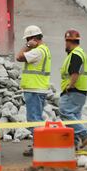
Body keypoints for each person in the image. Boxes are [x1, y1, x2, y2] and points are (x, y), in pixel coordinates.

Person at [16, 25, 51, 157]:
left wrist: (28, 46)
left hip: (34, 89)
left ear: (33, 39)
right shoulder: (45, 49)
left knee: (34, 119)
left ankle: (39, 146)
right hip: (38, 89)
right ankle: (40, 144)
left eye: (28, 40)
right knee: (37, 118)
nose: (26, 42)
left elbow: (19, 57)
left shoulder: (38, 51)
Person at [60, 29, 87, 148]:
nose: (65, 45)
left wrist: (70, 85)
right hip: (81, 91)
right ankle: (73, 143)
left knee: (65, 112)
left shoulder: (75, 54)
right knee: (74, 117)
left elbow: (75, 72)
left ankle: (84, 133)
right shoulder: (81, 52)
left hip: (74, 90)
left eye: (66, 42)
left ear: (69, 42)